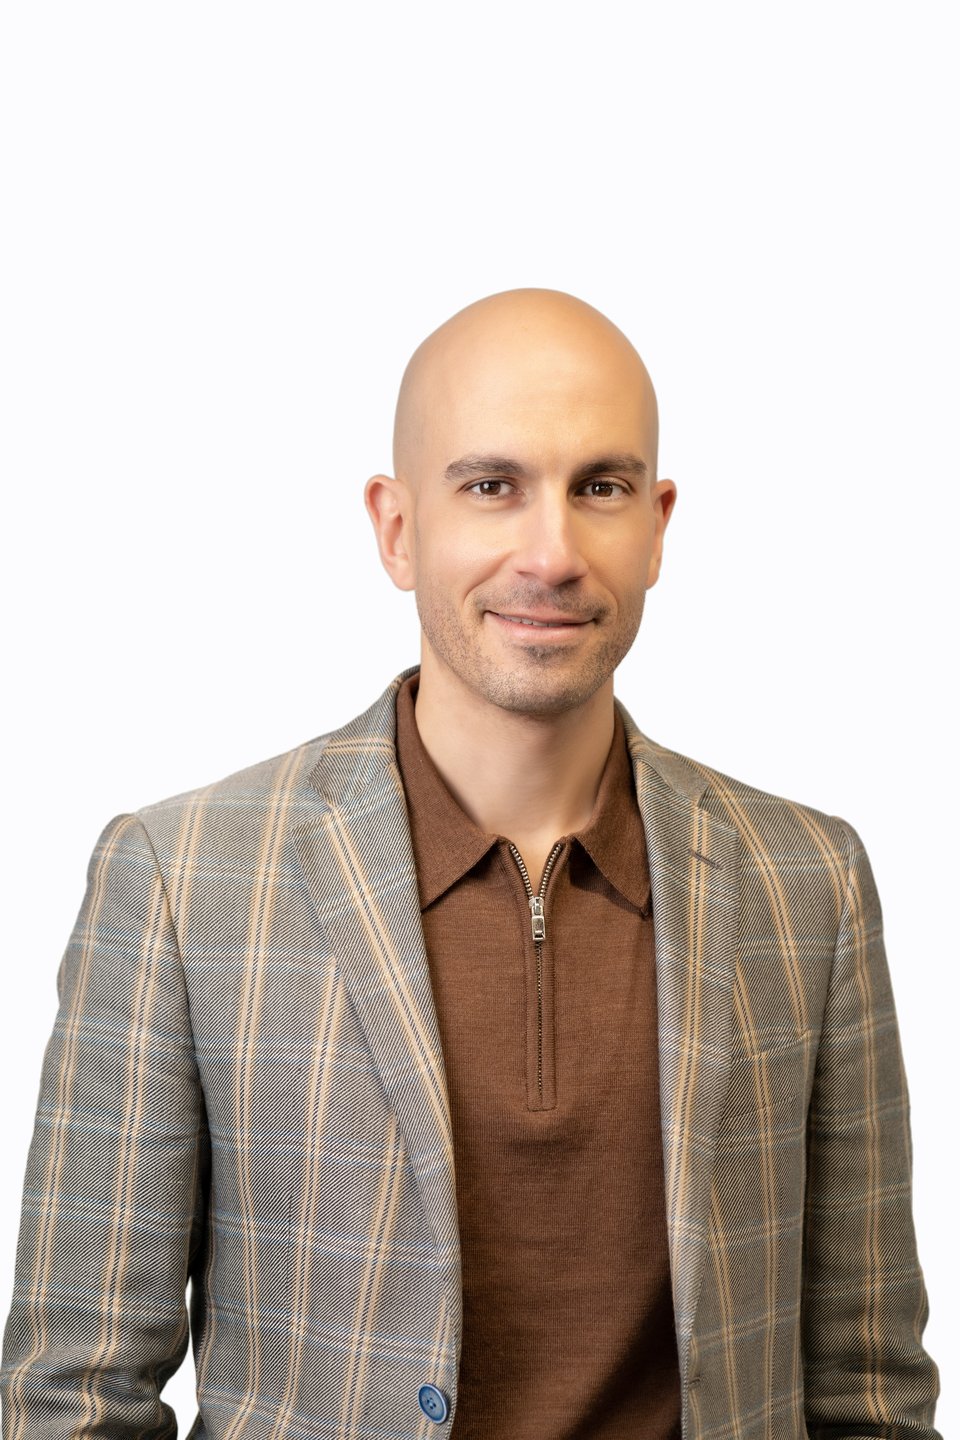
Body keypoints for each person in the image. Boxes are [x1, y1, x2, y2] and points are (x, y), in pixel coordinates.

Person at [0, 288, 941, 1440]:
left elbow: (868, 1386)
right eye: (491, 486)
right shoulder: (179, 880)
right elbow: (72, 1394)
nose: (549, 553)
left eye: (599, 488)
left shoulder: (810, 882)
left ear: (657, 525)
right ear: (397, 529)